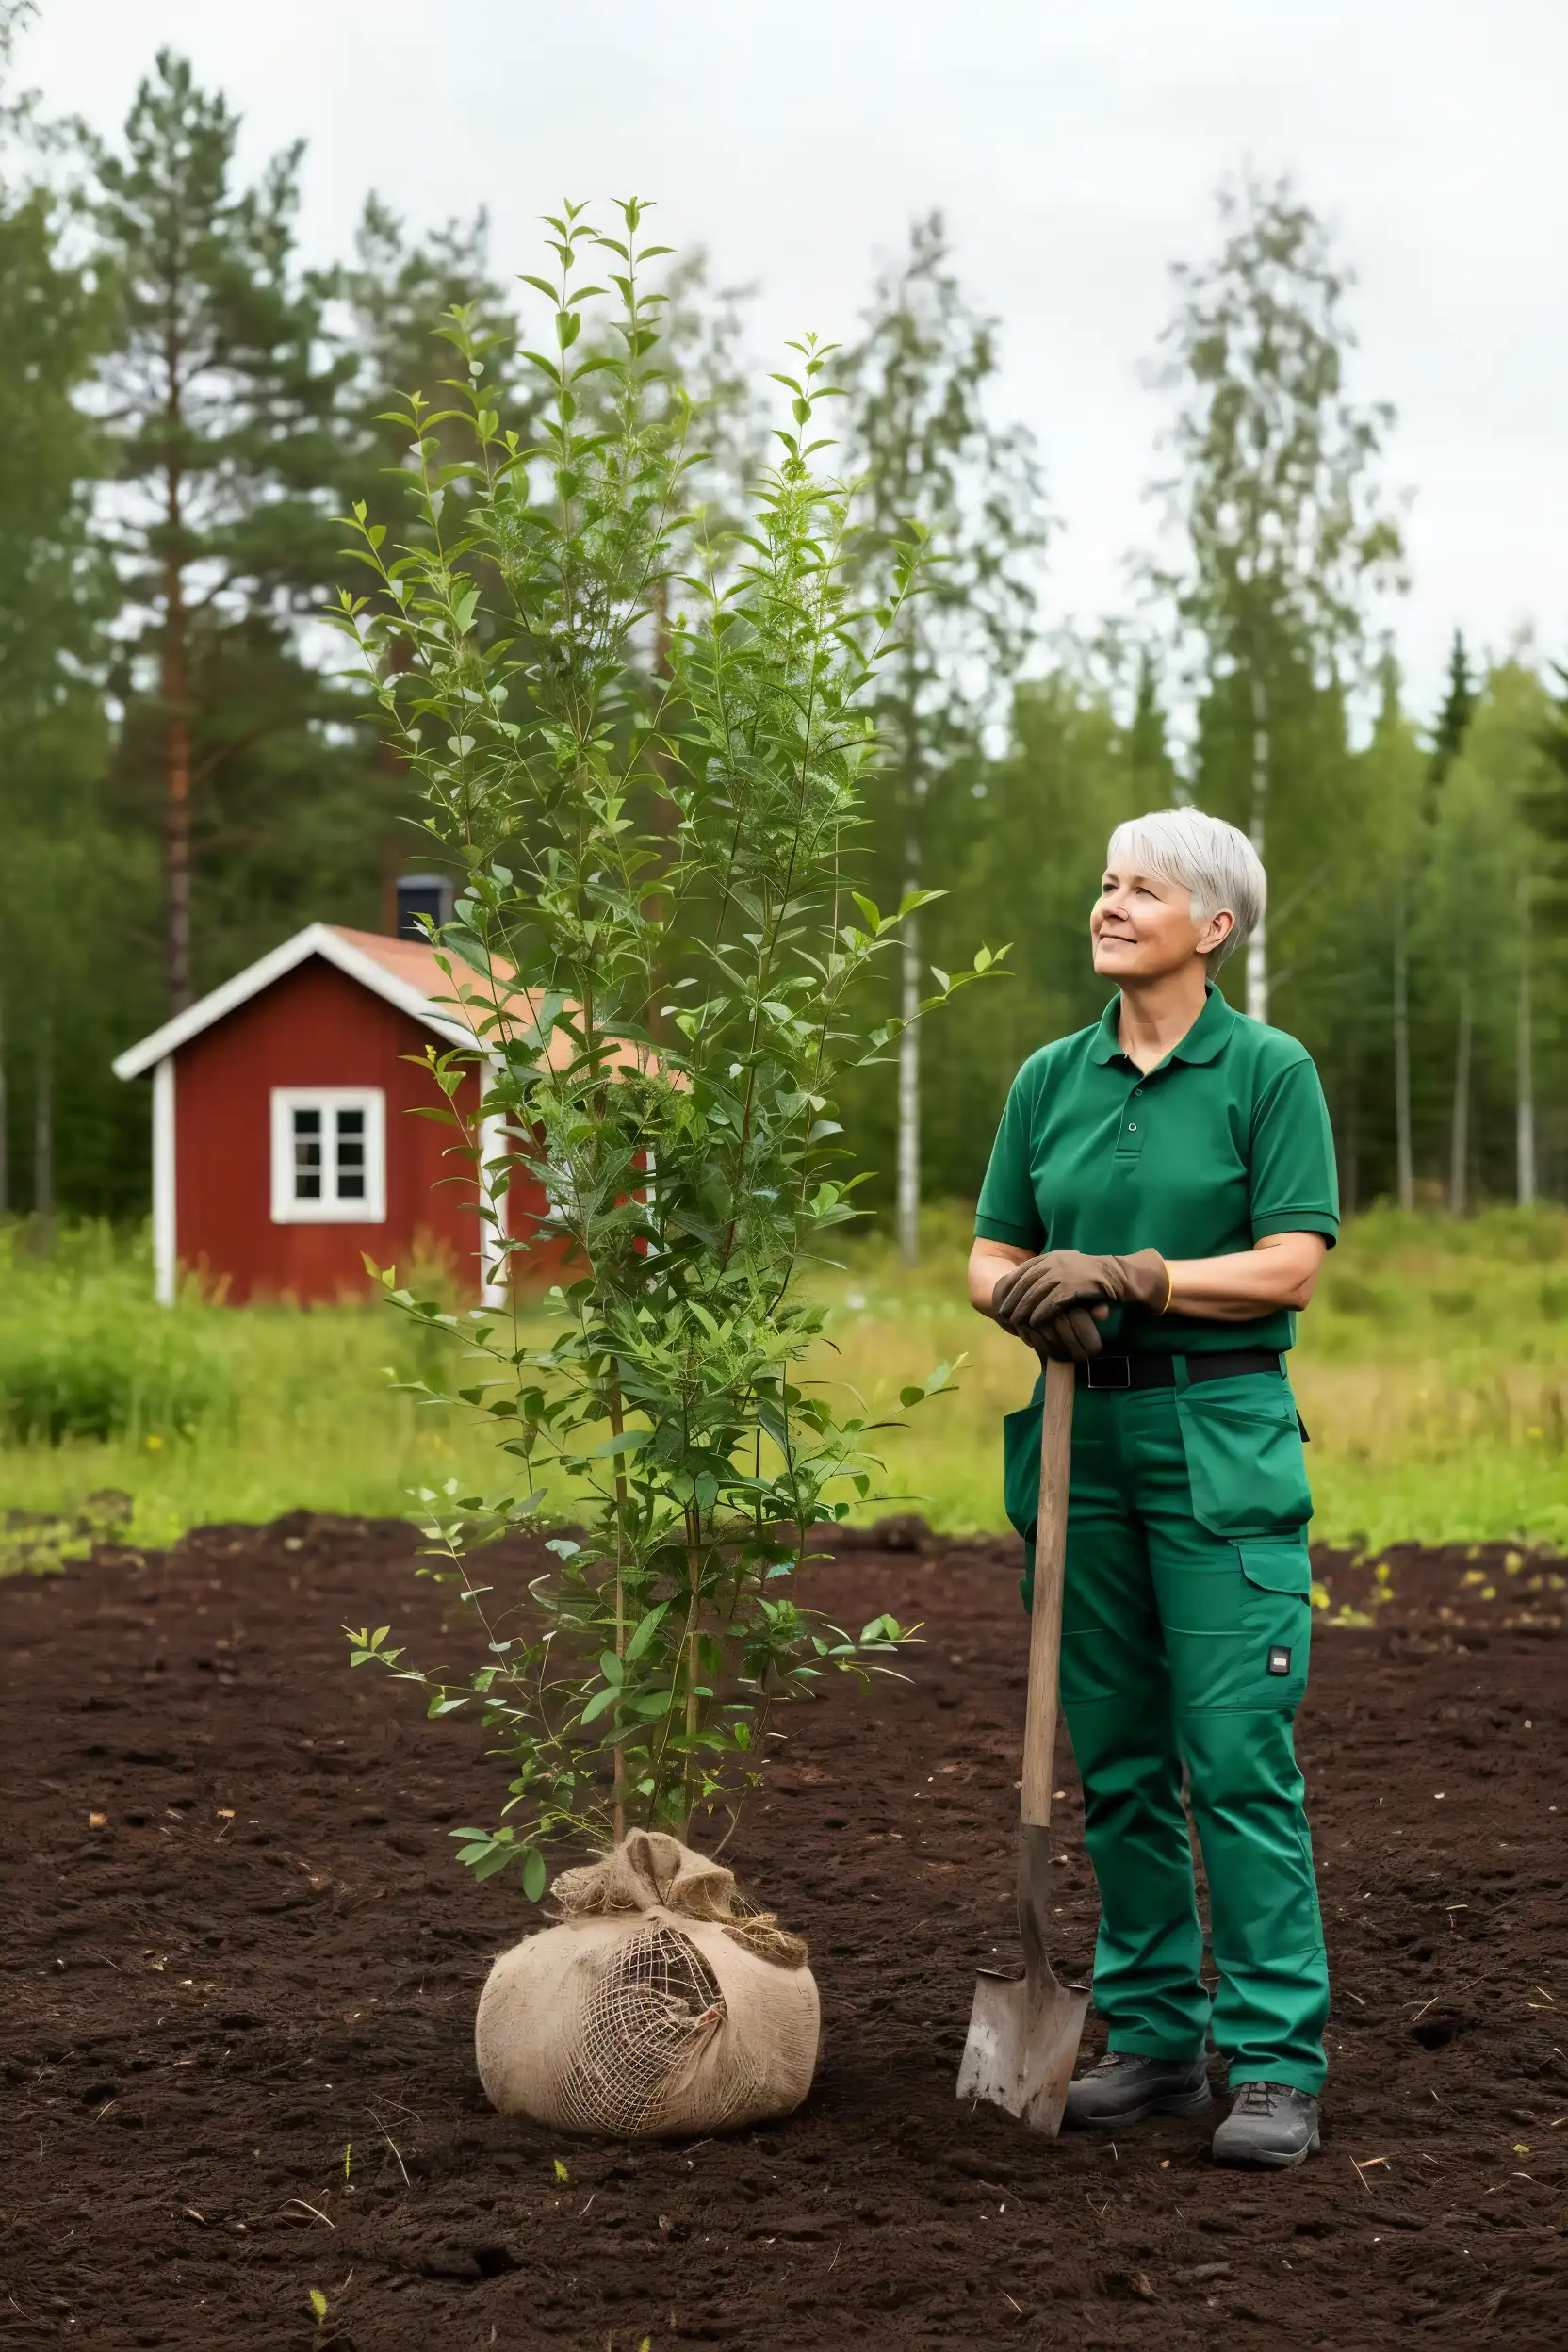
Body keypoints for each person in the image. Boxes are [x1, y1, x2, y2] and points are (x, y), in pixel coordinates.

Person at [968, 808, 1337, 2170]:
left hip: (1218, 1436)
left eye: (1143, 889)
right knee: (1118, 1760)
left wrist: (1141, 1278)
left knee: (1237, 1758)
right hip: (1086, 1438)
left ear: (1215, 926)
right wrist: (1032, 1296)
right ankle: (1159, 2043)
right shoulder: (1049, 1079)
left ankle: (1279, 2064)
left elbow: (1293, 1261)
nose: (1108, 904)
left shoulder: (1266, 1070)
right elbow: (991, 1250)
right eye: (1105, 883)